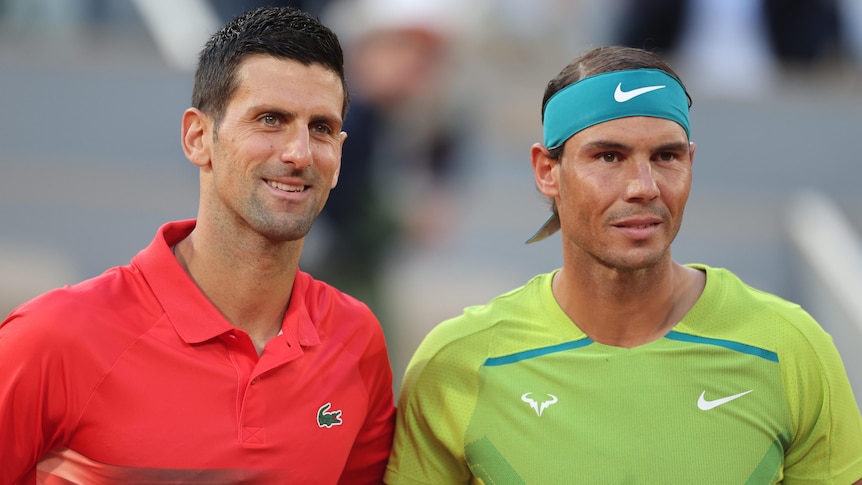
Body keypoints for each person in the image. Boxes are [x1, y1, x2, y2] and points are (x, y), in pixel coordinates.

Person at [384, 45, 862, 483]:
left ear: (691, 163)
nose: (644, 186)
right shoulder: (457, 363)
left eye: (666, 156)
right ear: (547, 171)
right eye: (609, 156)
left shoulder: (790, 347)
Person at [0, 6, 394, 484]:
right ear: (197, 137)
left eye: (321, 128)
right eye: (270, 119)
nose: (299, 153)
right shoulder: (54, 337)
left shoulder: (355, 341)